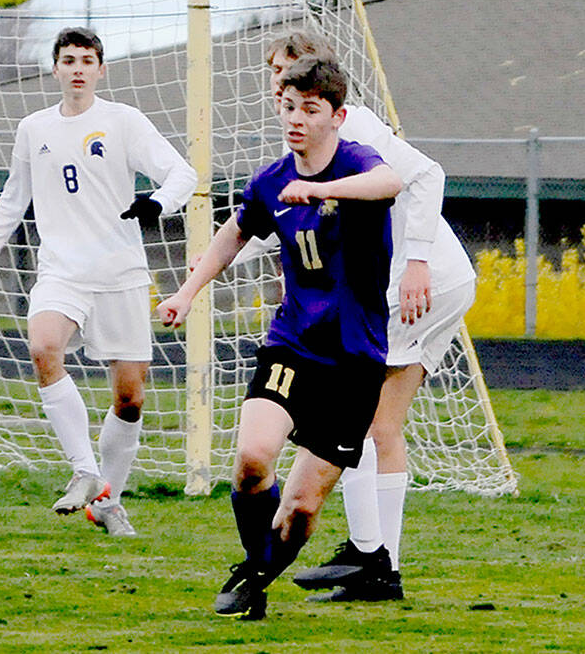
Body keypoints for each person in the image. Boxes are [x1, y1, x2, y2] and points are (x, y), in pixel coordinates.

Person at [156, 56, 402, 620]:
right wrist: (186, 292)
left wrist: (322, 192)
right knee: (251, 459)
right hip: (292, 343)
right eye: (288, 106)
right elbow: (233, 234)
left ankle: (257, 578)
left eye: (310, 109)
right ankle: (252, 566)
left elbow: (391, 181)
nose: (296, 119)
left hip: (354, 359)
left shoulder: (358, 162)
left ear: (337, 116)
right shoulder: (270, 181)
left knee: (300, 507)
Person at [255, 33, 476, 602]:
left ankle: (368, 555)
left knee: (346, 411)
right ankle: (381, 567)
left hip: (417, 279)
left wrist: (417, 262)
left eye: (291, 72)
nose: (283, 86)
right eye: (277, 77)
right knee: (379, 425)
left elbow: (428, 176)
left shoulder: (351, 128)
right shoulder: (306, 137)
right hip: (422, 282)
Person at [0, 27, 197, 536]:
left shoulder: (122, 121)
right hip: (61, 271)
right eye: (69, 60)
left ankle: (108, 501)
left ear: (101, 69)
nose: (79, 68)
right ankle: (84, 471)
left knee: (129, 400)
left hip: (121, 274)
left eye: (88, 60)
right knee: (44, 347)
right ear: (56, 69)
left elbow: (183, 174)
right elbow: (12, 200)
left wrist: (157, 203)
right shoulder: (33, 128)